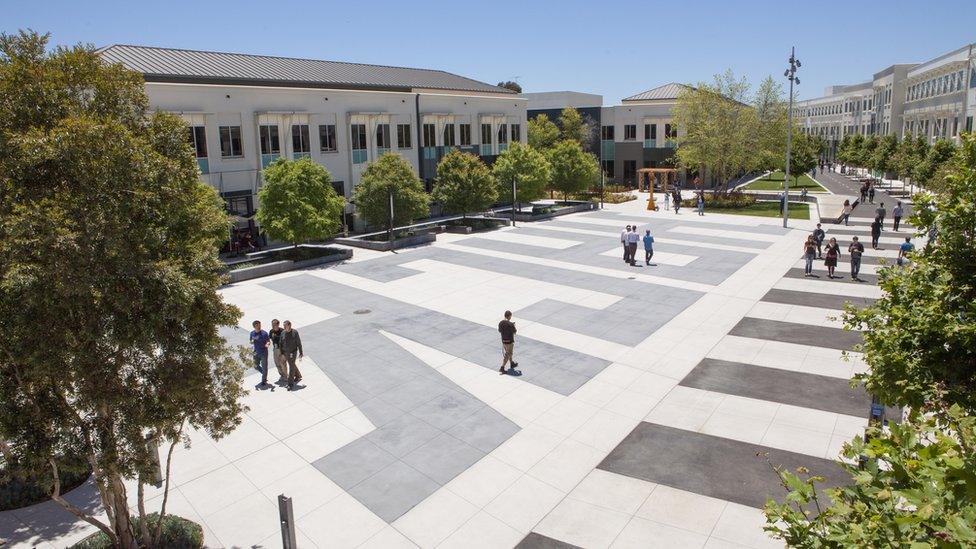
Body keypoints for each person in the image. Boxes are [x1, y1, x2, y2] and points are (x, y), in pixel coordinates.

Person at [280, 320, 303, 390]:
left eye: (285, 326)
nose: (284, 327)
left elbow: (299, 342)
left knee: (291, 366)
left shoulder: (295, 332)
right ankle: (298, 375)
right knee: (292, 365)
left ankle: (290, 384)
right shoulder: (283, 333)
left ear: (290, 325)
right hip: (285, 353)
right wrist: (281, 353)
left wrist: (301, 352)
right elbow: (280, 343)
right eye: (283, 326)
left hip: (293, 352)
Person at [249, 320, 271, 388]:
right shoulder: (252, 333)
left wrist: (267, 344)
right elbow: (250, 341)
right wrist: (252, 342)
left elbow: (268, 341)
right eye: (257, 325)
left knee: (264, 367)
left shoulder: (264, 333)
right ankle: (264, 374)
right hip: (255, 352)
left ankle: (264, 380)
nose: (259, 326)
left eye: (259, 325)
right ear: (254, 326)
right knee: (255, 366)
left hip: (263, 352)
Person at [269, 319, 288, 384]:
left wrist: (277, 337)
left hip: (282, 349)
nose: (273, 326)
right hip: (275, 349)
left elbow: (284, 340)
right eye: (272, 324)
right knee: (277, 363)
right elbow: (270, 339)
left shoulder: (282, 331)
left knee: (283, 363)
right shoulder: (271, 331)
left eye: (274, 324)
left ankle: (286, 376)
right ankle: (282, 375)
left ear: (277, 324)